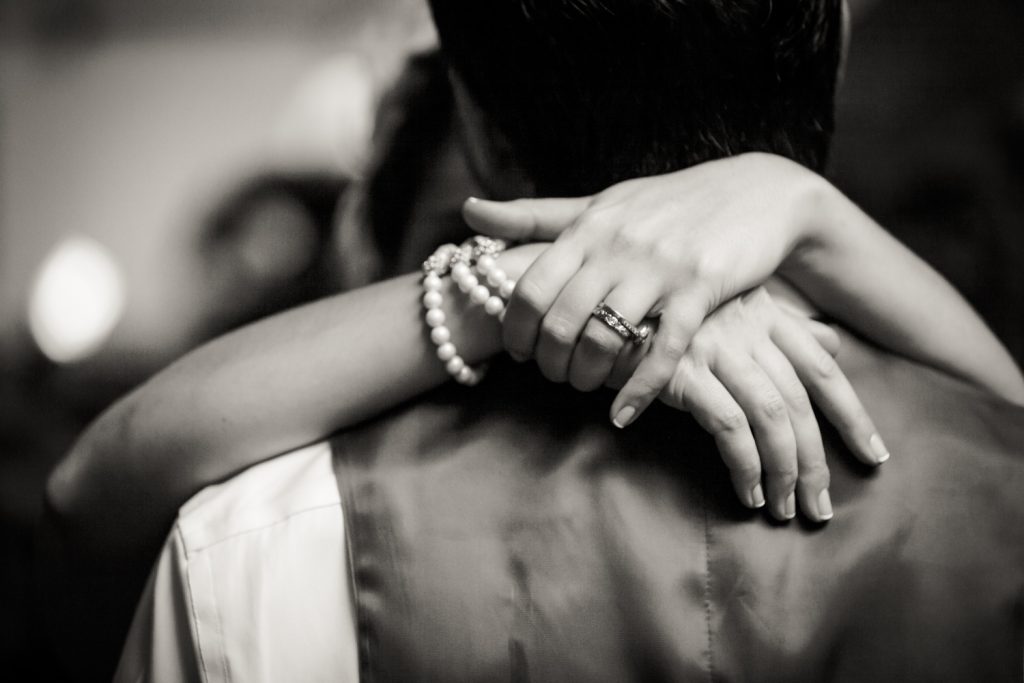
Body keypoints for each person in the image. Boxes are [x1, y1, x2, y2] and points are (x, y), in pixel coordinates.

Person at [39, 0, 1024, 680]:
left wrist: (511, 279)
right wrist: (804, 210)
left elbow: (88, 492)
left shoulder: (257, 543)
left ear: (480, 129)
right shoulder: (996, 487)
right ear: (833, 60)